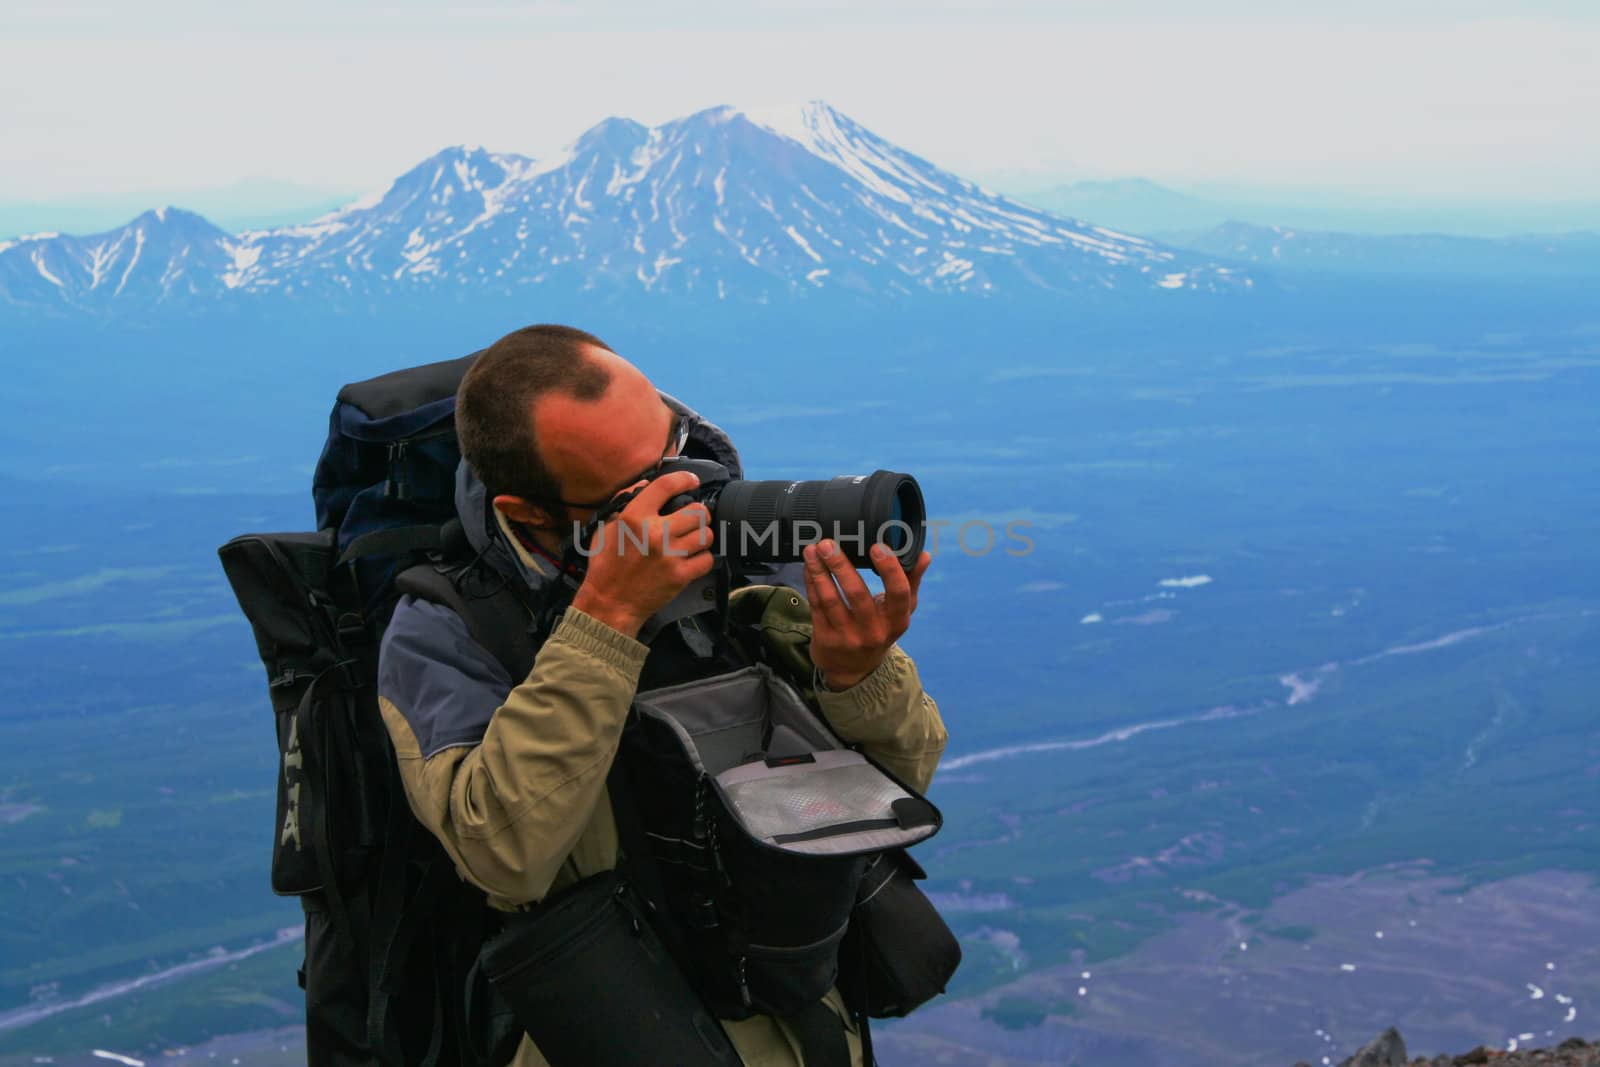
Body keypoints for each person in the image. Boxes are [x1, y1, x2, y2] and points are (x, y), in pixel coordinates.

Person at [376, 323, 948, 1066]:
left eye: (675, 451)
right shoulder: (446, 633)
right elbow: (504, 852)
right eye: (633, 492)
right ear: (530, 513)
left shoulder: (734, 563)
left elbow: (903, 786)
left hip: (802, 1030)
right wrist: (607, 618)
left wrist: (857, 675)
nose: (683, 495)